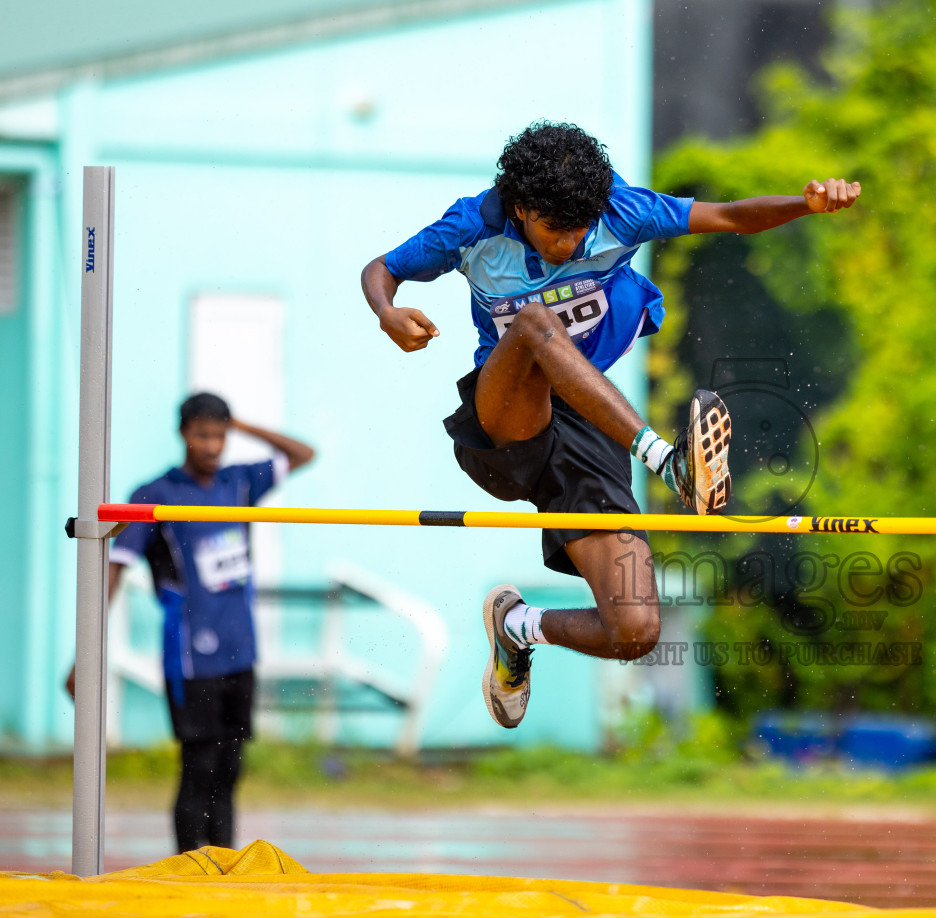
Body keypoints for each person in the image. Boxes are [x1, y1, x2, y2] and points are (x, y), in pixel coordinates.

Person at [360, 121, 860, 730]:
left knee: (636, 630)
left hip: (591, 425)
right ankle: (671, 463)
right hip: (506, 420)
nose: (568, 245)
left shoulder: (625, 211)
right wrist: (388, 313)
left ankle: (516, 628)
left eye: (578, 232)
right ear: (520, 210)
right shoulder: (472, 226)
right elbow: (381, 269)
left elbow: (731, 217)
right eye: (552, 231)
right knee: (535, 324)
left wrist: (804, 205)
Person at [67, 393, 315, 853]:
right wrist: (86, 649)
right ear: (183, 433)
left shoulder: (240, 484)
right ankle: (189, 863)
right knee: (198, 767)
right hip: (190, 657)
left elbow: (303, 454)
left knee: (230, 769)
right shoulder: (155, 495)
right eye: (203, 434)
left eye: (220, 435)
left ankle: (222, 864)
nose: (212, 446)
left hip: (241, 649)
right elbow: (115, 569)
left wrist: (239, 422)